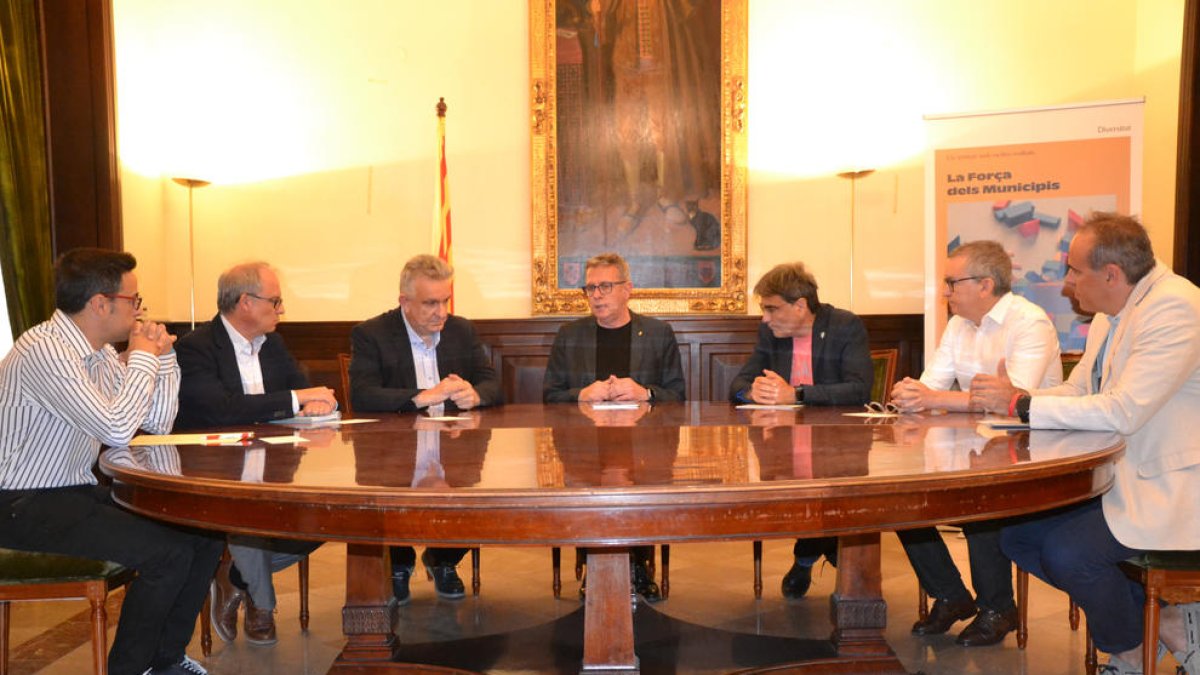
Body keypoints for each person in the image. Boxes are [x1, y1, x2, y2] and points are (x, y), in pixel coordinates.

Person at [970, 213, 1200, 674]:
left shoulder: (1176, 307)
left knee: (1069, 554)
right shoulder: (1112, 312)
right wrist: (1017, 402)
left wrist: (1022, 406)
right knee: (1015, 535)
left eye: (1075, 271)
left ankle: (1134, 652)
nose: (1067, 284)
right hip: (1119, 477)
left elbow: (1123, 409)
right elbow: (1080, 391)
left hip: (1170, 486)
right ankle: (1166, 629)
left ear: (1111, 274)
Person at [0, 248, 222, 675]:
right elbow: (117, 429)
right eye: (134, 300)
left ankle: (166, 659)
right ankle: (132, 668)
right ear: (100, 303)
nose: (139, 310)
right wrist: (142, 355)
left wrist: (165, 358)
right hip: (19, 503)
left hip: (71, 491)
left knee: (203, 534)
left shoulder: (97, 351)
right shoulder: (43, 349)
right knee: (167, 554)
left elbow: (156, 421)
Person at [889, 240, 1063, 647]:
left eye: (952, 282)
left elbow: (1014, 403)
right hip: (971, 442)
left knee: (980, 494)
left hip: (1037, 448)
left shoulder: (1029, 322)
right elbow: (932, 385)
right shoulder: (958, 324)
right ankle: (951, 595)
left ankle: (998, 607)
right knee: (898, 497)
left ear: (986, 284)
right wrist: (911, 392)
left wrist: (933, 399)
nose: (945, 292)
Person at [175, 262, 332, 646]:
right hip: (213, 466)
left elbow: (300, 391)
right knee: (247, 516)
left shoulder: (273, 344)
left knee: (324, 518)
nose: (281, 310)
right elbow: (222, 409)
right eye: (275, 301)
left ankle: (234, 578)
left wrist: (312, 405)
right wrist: (299, 399)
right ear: (245, 302)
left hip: (275, 460)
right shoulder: (195, 348)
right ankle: (262, 604)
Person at [349, 254, 501, 603]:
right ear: (404, 301)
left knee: (477, 497)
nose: (442, 311)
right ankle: (399, 564)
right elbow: (362, 395)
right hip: (394, 449)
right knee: (389, 494)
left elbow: (492, 382)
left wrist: (475, 394)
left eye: (445, 300)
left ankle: (443, 559)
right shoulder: (371, 334)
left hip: (455, 445)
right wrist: (424, 396)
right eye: (430, 303)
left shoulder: (462, 331)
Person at [543, 251, 686, 600]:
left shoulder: (656, 333)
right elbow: (549, 395)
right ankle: (593, 566)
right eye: (590, 288)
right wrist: (581, 395)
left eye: (605, 286)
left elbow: (678, 394)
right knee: (585, 487)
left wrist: (645, 392)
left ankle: (639, 566)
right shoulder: (569, 335)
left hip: (644, 446)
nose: (596, 295)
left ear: (628, 289)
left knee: (642, 487)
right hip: (584, 447)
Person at [729, 261, 874, 600]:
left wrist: (796, 394)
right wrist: (752, 392)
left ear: (800, 305)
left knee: (821, 490)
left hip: (838, 443)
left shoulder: (844, 326)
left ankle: (807, 558)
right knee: (801, 488)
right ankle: (822, 556)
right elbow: (739, 382)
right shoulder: (770, 334)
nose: (765, 318)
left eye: (771, 308)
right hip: (784, 443)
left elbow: (859, 389)